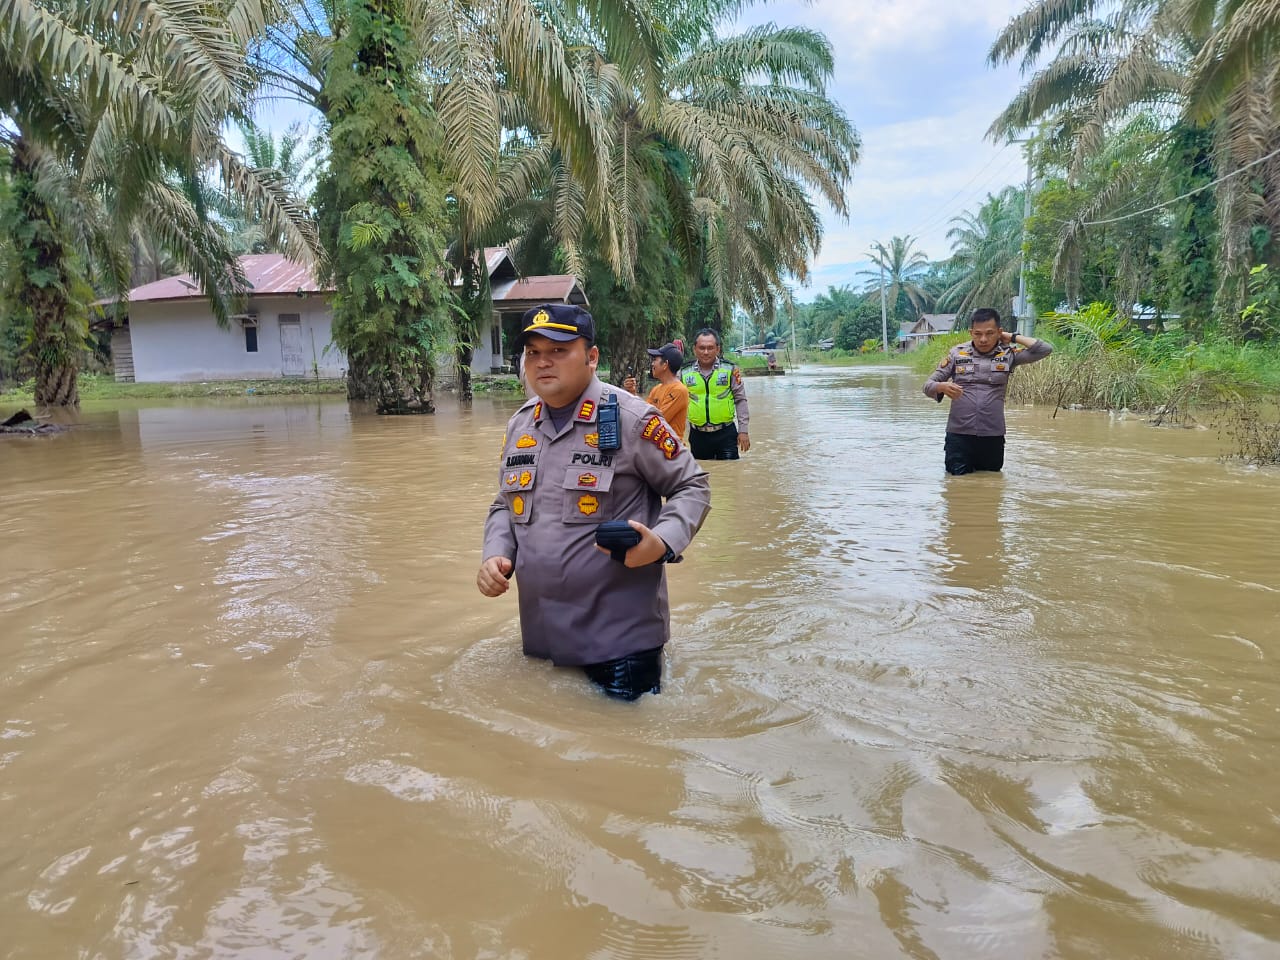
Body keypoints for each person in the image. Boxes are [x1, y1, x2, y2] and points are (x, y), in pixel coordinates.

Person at [476, 303, 711, 700]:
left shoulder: (632, 418)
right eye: (533, 352)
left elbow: (693, 486)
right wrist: (494, 553)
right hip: (542, 637)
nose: (542, 363)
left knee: (628, 748)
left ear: (592, 357)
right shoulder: (520, 425)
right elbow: (504, 504)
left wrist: (662, 543)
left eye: (558, 350)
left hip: (620, 644)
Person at [923, 307, 1053, 475]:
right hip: (959, 435)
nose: (983, 339)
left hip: (992, 434)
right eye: (978, 334)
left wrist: (1012, 337)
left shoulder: (1008, 354)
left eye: (990, 333)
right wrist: (942, 387)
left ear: (999, 332)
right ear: (971, 332)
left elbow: (1045, 349)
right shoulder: (957, 354)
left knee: (991, 482)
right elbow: (927, 385)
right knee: (958, 485)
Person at [680, 328, 750, 460]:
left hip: (726, 434)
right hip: (697, 435)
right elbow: (675, 402)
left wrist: (743, 430)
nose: (706, 352)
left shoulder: (730, 369)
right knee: (700, 474)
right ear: (694, 349)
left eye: (710, 348)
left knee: (729, 474)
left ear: (717, 349)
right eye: (702, 348)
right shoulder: (684, 372)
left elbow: (740, 400)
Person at [622, 341, 689, 439]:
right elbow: (644, 411)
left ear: (665, 364)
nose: (652, 364)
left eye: (655, 360)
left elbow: (656, 420)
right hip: (655, 447)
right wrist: (632, 393)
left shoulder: (679, 390)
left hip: (671, 449)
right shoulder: (656, 389)